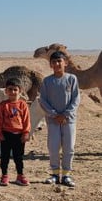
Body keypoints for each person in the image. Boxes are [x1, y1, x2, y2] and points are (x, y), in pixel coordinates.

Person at [38, 49, 80, 187]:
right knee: (53, 147)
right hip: (53, 120)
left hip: (69, 120)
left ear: (65, 63)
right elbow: (42, 100)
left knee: (69, 148)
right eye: (54, 62)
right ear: (50, 65)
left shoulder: (71, 79)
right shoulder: (47, 81)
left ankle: (66, 175)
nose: (57, 64)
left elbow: (76, 99)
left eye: (59, 61)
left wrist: (65, 114)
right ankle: (55, 174)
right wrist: (54, 114)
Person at [0, 77, 31, 186]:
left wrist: (26, 132)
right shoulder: (3, 105)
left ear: (20, 91)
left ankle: (20, 175)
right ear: (6, 91)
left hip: (19, 135)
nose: (13, 92)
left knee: (18, 157)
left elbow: (26, 120)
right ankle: (4, 175)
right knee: (4, 156)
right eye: (10, 89)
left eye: (15, 90)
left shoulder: (23, 105)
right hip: (6, 134)